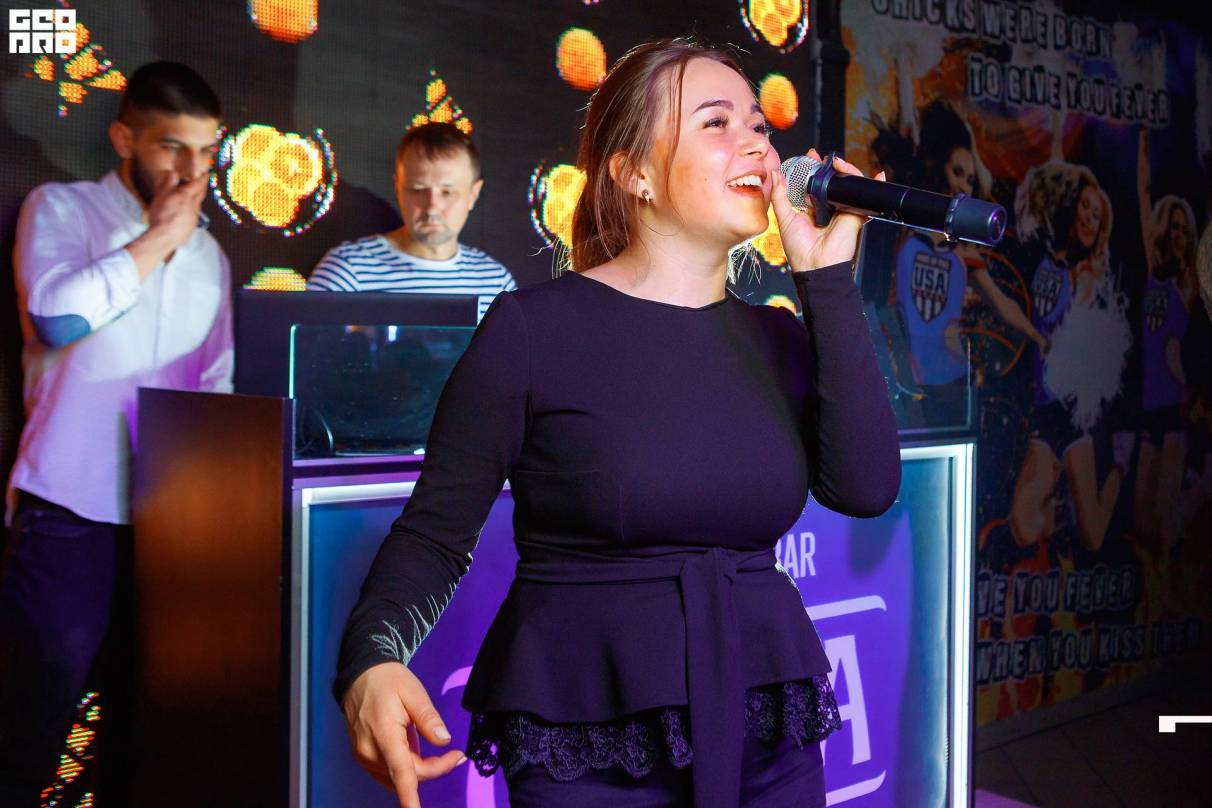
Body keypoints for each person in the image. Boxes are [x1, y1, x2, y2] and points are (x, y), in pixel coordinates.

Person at [334, 38, 900, 808]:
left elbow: (866, 489)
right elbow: (435, 533)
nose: (757, 145)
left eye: (759, 126)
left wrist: (825, 280)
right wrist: (372, 660)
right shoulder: (533, 331)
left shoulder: (778, 336)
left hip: (765, 725)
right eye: (716, 121)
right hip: (588, 740)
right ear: (634, 173)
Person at [0, 62, 231, 804]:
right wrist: (160, 238)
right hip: (66, 514)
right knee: (32, 727)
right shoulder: (61, 209)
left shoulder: (212, 256)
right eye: (172, 147)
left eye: (206, 151)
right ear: (125, 139)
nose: (192, 171)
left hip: (167, 527)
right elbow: (56, 318)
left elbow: (215, 388)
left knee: (146, 731)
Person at [1008, 157, 1129, 554]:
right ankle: (1063, 509)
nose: (1090, 218)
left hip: (1075, 415)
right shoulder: (1044, 253)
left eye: (1098, 215)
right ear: (1072, 206)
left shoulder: (1094, 280)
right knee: (1024, 525)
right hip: (1045, 411)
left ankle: (1120, 468)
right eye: (1086, 207)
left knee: (1093, 537)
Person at [307, 122, 515, 320]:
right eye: (418, 190)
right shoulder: (347, 273)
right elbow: (307, 342)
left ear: (473, 194)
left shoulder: (496, 283)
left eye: (447, 192)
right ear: (397, 188)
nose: (432, 207)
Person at [1134, 128, 1198, 551]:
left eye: (1181, 228)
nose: (1175, 232)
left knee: (1162, 520)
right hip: (1148, 406)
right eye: (1170, 226)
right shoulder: (1153, 271)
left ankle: (1200, 490)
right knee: (1142, 521)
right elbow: (1143, 196)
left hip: (1174, 405)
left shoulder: (1188, 282)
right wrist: (1143, 140)